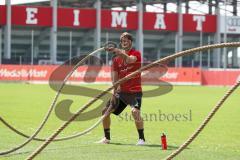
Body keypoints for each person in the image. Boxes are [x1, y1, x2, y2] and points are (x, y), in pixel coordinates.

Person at [98, 32, 145, 145]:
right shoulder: (116, 60)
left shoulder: (136, 53)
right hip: (121, 92)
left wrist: (119, 52)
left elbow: (130, 60)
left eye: (126, 41)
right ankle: (107, 138)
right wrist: (115, 91)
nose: (124, 43)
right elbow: (114, 77)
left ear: (131, 42)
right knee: (105, 111)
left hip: (135, 91)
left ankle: (141, 139)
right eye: (122, 41)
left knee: (135, 112)